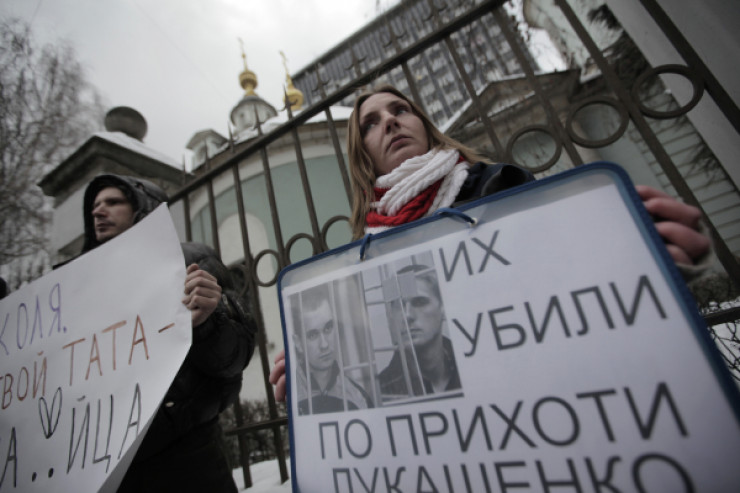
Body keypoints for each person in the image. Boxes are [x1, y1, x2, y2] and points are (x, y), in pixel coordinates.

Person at [270, 84, 712, 401]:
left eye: (400, 110)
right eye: (371, 123)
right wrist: (315, 370)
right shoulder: (366, 253)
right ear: (362, 154)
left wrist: (629, 253)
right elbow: (364, 350)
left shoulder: (497, 185)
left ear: (425, 126)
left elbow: (562, 276)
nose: (389, 120)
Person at [76, 174, 256, 493]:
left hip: (187, 455)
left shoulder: (190, 261)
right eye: (95, 206)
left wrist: (209, 322)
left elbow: (235, 356)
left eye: (113, 202)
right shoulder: (78, 288)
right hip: (110, 465)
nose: (98, 211)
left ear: (141, 207)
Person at [378, 264, 460, 398]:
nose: (407, 315)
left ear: (443, 308)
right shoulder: (381, 391)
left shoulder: (472, 365)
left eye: (420, 302)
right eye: (399, 304)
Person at [292, 283, 373, 414]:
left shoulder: (358, 397)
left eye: (328, 328)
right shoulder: (289, 394)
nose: (324, 344)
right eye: (313, 335)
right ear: (298, 343)